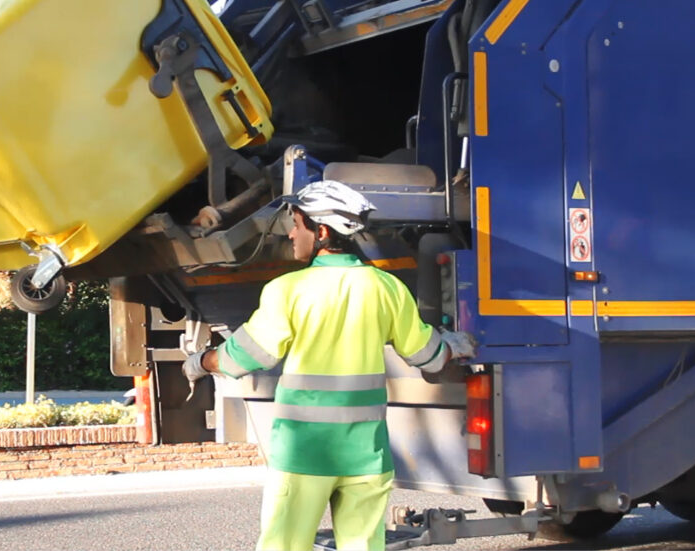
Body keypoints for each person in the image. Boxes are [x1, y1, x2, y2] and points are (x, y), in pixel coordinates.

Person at [183, 180, 477, 551]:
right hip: (367, 456)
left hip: (303, 454)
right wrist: (453, 344)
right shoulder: (386, 289)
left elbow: (243, 358)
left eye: (297, 223)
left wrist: (199, 362)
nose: (291, 233)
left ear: (321, 231)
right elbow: (428, 355)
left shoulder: (287, 290)